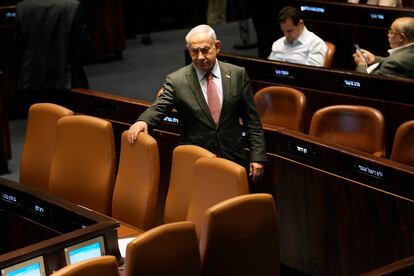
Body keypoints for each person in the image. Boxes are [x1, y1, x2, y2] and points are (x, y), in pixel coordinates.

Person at [127, 24, 267, 184]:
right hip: (196, 161)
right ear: (189, 50)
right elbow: (159, 106)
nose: (200, 57)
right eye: (194, 51)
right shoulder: (177, 80)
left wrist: (258, 156)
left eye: (205, 50)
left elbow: (252, 121)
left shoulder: (237, 74)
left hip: (233, 159)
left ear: (217, 47)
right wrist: (143, 121)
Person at [15, 0, 89, 110]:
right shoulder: (73, 6)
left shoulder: (22, 7)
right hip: (67, 80)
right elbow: (82, 44)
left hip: (33, 79)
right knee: (71, 123)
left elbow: (18, 43)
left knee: (40, 121)